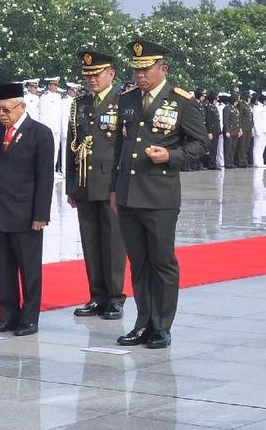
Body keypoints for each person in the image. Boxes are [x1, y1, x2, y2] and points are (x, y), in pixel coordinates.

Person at [111, 40, 209, 349]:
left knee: (162, 263)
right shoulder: (127, 99)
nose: (139, 75)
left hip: (159, 195)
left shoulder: (181, 101)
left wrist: (171, 156)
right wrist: (114, 188)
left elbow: (200, 144)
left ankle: (162, 326)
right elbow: (119, 148)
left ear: (163, 69)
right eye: (135, 70)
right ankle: (143, 323)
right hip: (128, 194)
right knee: (139, 263)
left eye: (145, 70)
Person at [0, 82, 54, 337]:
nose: (1, 114)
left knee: (29, 270)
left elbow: (45, 177)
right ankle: (7, 315)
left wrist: (41, 215)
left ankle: (29, 319)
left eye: (6, 110)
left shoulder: (40, 133)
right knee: (4, 268)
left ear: (22, 107)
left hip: (26, 213)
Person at [66, 50, 127, 320]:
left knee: (113, 242)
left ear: (111, 74)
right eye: (88, 75)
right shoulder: (79, 104)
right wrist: (71, 185)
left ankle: (114, 297)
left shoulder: (123, 101)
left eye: (97, 74)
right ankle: (96, 296)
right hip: (85, 182)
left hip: (110, 182)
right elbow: (72, 145)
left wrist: (121, 185)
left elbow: (126, 147)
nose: (92, 79)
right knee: (90, 241)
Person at [253, 92, 266, 167]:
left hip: (264, 130)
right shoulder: (257, 107)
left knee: (262, 147)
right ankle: (256, 162)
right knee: (257, 146)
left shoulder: (264, 107)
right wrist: (257, 131)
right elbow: (256, 120)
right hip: (259, 130)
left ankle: (260, 161)